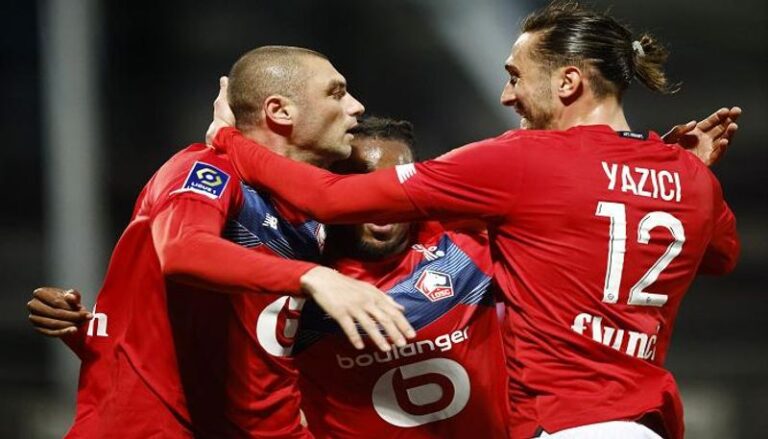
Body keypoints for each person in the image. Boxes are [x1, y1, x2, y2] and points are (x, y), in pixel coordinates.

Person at [205, 3, 741, 438]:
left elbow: (331, 200)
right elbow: (720, 256)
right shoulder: (691, 177)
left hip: (565, 422)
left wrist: (230, 139)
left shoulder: (523, 159)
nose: (507, 96)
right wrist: (685, 169)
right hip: (646, 422)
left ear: (568, 81)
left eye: (515, 77)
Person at [28, 46, 414, 439]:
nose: (355, 106)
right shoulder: (204, 170)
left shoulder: (311, 219)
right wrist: (313, 277)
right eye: (336, 93)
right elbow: (183, 250)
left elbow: (222, 338)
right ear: (280, 111)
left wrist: (96, 330)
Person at [294, 116, 508, 438]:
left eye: (394, 184)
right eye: (362, 184)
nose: (380, 200)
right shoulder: (300, 279)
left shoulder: (466, 247)